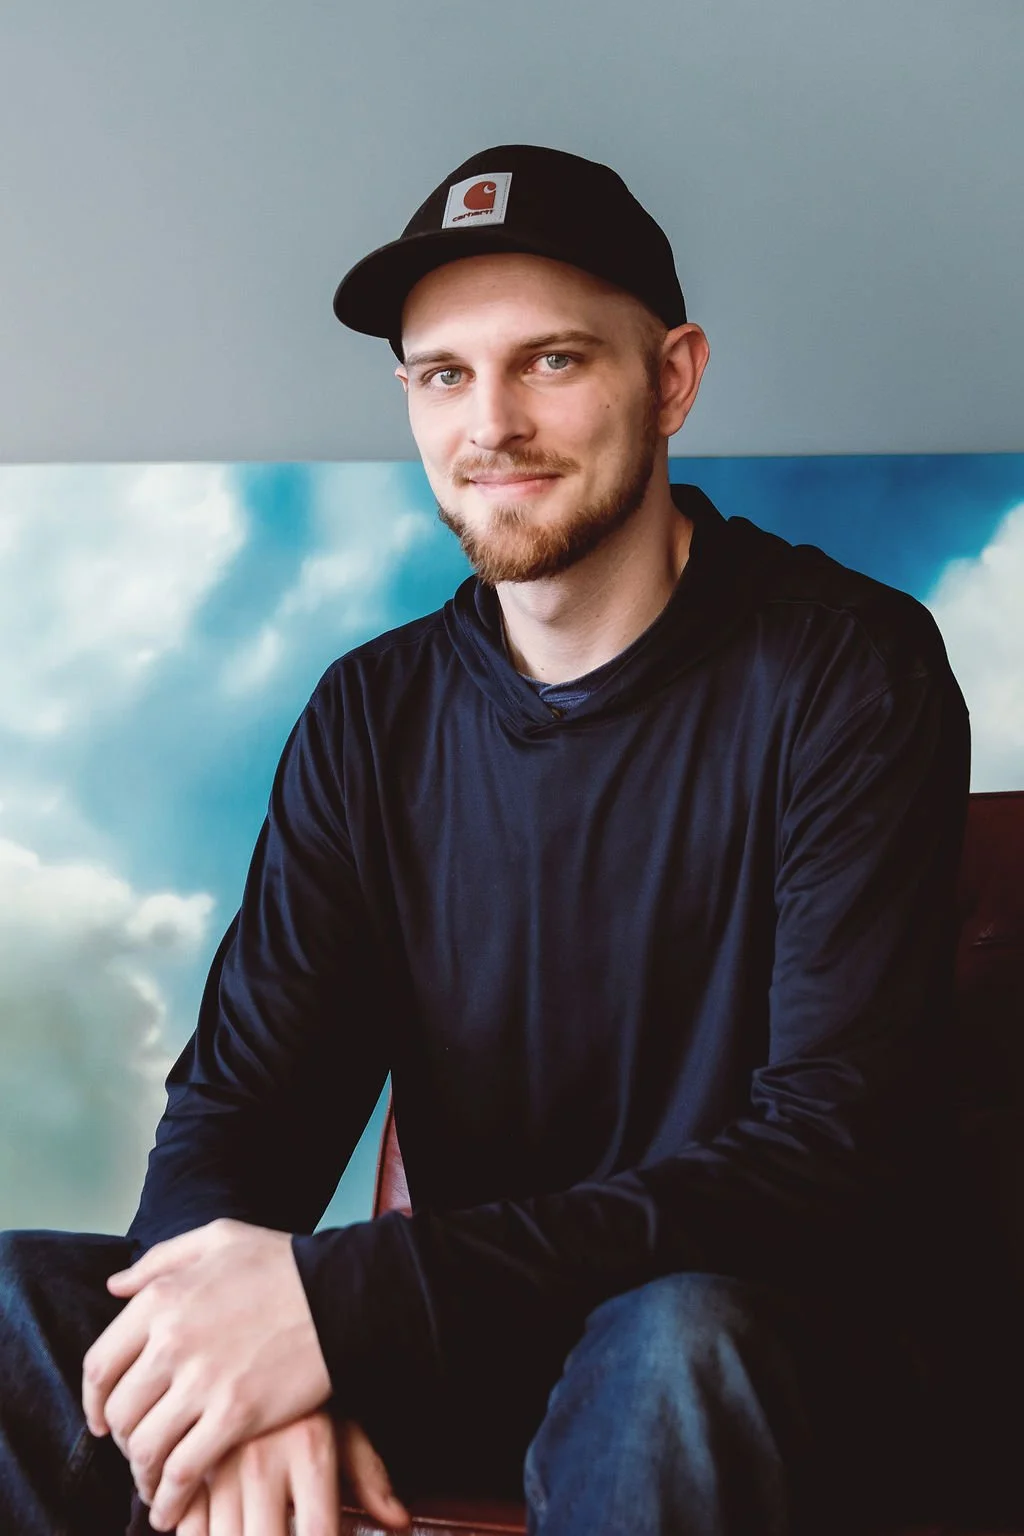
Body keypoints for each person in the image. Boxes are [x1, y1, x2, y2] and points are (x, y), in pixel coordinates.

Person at [0, 143, 975, 1536]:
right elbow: (242, 1109)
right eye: (444, 374)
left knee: (677, 1345)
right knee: (21, 1314)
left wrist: (334, 1308)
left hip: (757, 1349)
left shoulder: (847, 669)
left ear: (675, 377)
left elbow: (826, 1157)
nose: (492, 422)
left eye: (555, 361)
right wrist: (242, 1369)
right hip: (465, 1338)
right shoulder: (370, 713)